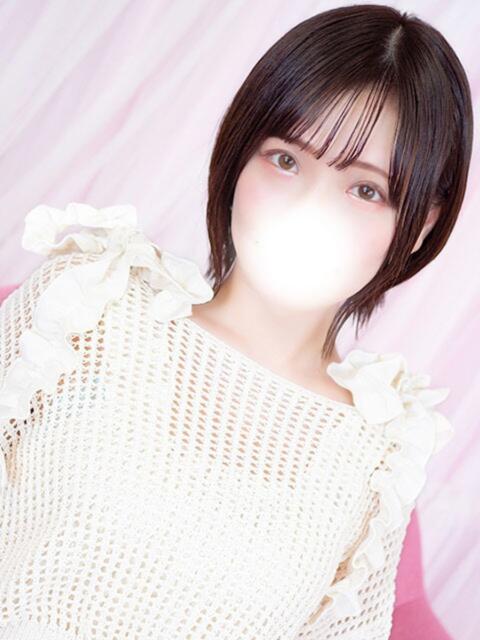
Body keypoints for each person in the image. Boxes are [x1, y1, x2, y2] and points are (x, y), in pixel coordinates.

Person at [0, 4, 472, 639]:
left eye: (365, 189)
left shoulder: (377, 461)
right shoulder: (87, 306)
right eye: (286, 160)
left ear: (419, 226)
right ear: (239, 150)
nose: (309, 208)